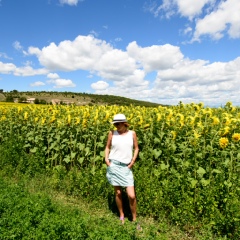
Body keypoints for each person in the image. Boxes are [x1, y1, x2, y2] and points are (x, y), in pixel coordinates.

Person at [105, 113, 139, 224]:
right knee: (118, 193)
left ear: (125, 123)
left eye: (118, 124)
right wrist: (106, 159)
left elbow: (136, 148)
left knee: (131, 195)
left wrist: (133, 161)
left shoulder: (132, 133)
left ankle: (134, 218)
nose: (116, 126)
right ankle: (121, 215)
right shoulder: (112, 133)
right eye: (115, 124)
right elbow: (107, 147)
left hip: (126, 167)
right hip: (114, 165)